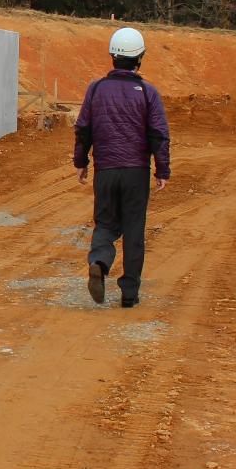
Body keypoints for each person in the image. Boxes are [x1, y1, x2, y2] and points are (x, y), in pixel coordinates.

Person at [72, 27, 171, 308]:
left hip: (105, 170)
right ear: (139, 58)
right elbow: (158, 134)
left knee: (105, 223)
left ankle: (100, 263)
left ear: (113, 57)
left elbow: (83, 129)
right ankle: (129, 293)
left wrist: (81, 162)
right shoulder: (148, 93)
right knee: (133, 229)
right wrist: (161, 169)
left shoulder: (96, 89)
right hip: (135, 172)